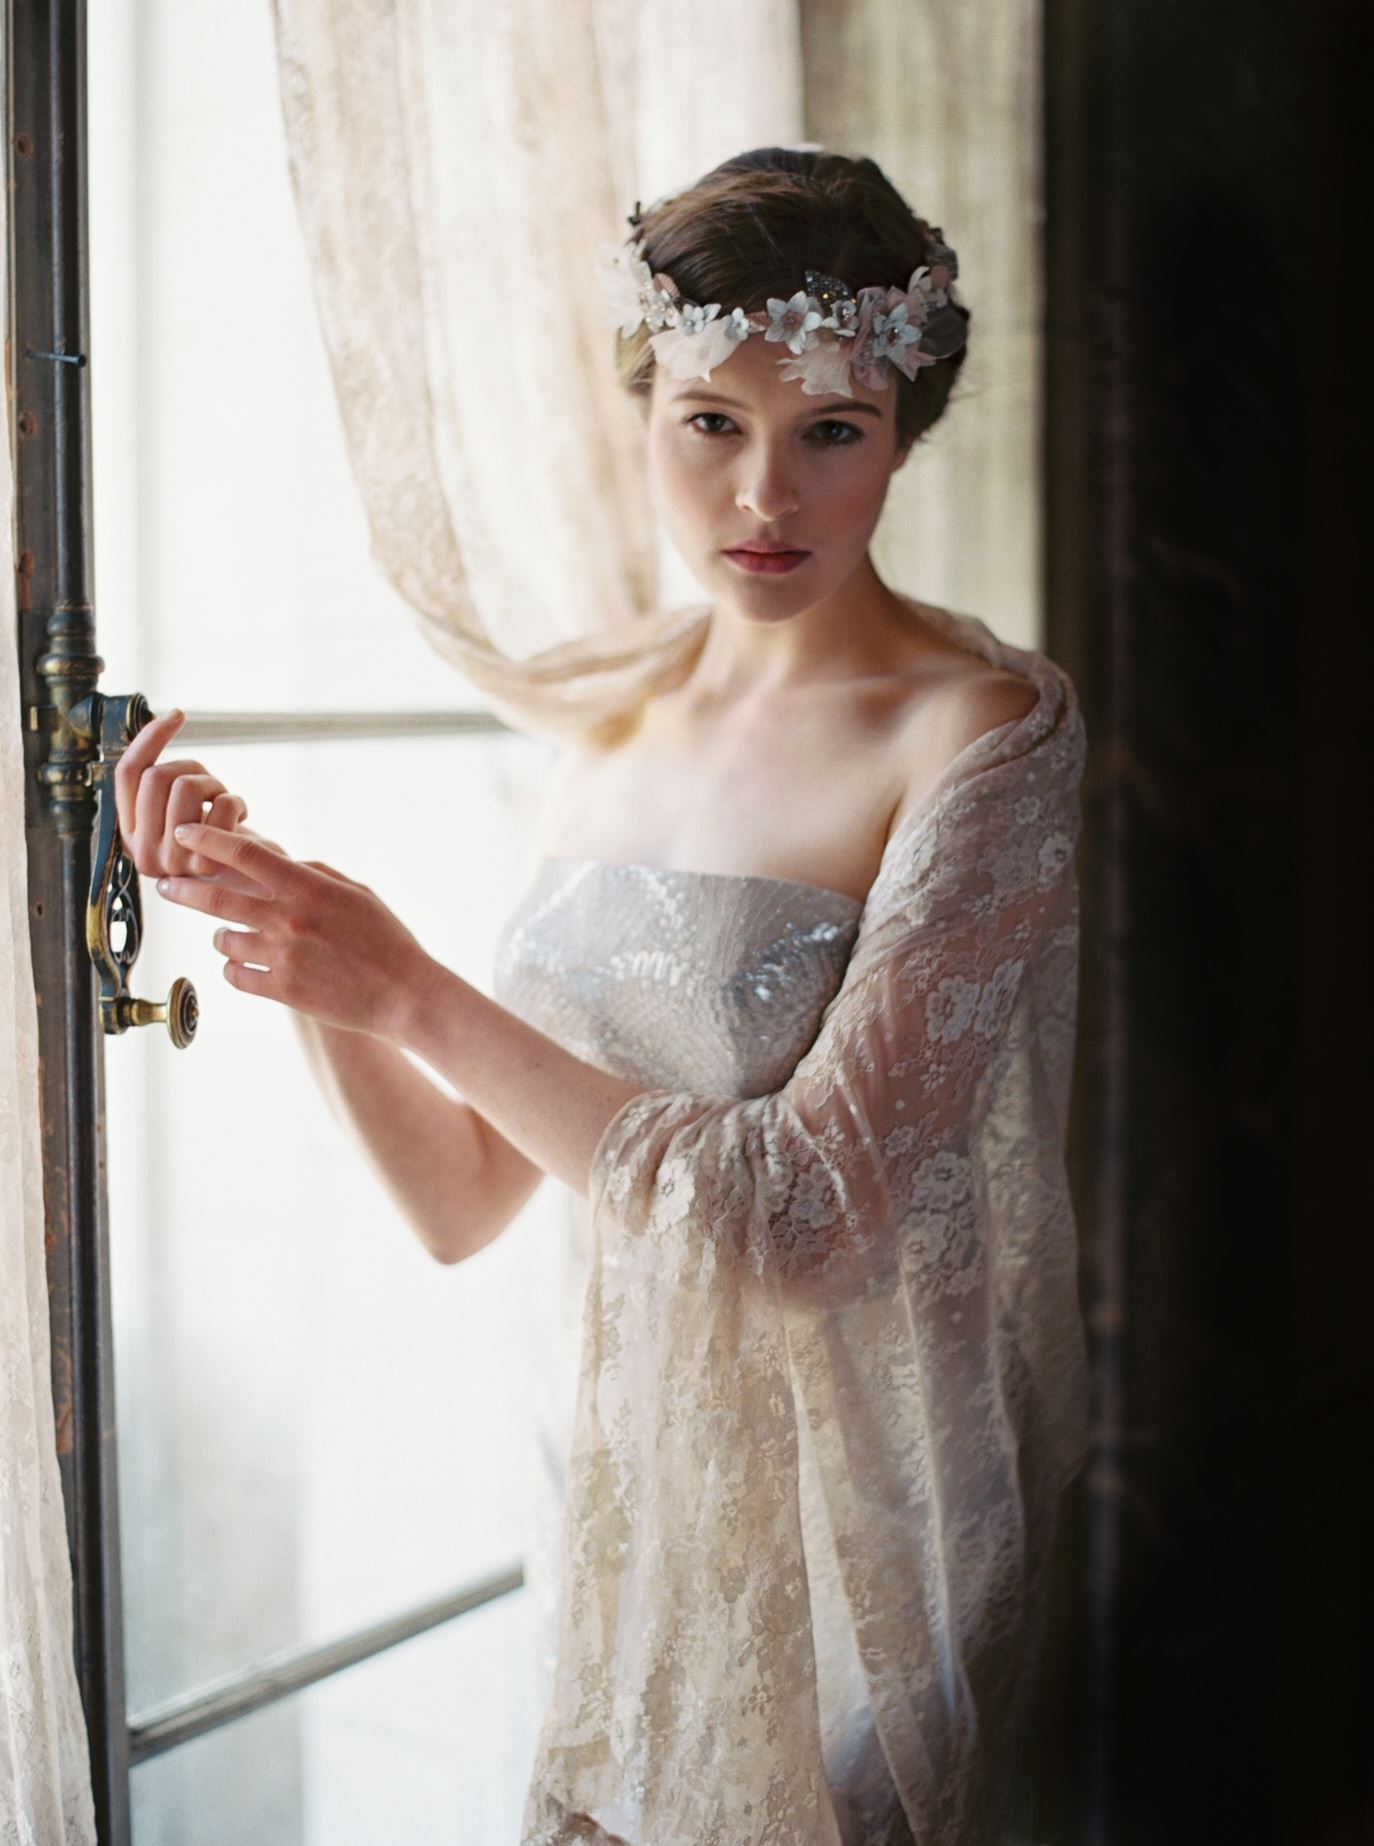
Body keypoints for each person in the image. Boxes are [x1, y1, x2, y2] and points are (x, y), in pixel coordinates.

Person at [116, 148, 1090, 1845]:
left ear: (903, 433)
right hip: (625, 1519)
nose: (761, 497)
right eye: (709, 421)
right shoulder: (614, 726)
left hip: (855, 1553)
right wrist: (300, 945)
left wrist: (408, 985)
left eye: (830, 433)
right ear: (643, 408)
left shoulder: (973, 735)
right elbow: (460, 1197)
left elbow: (804, 1223)